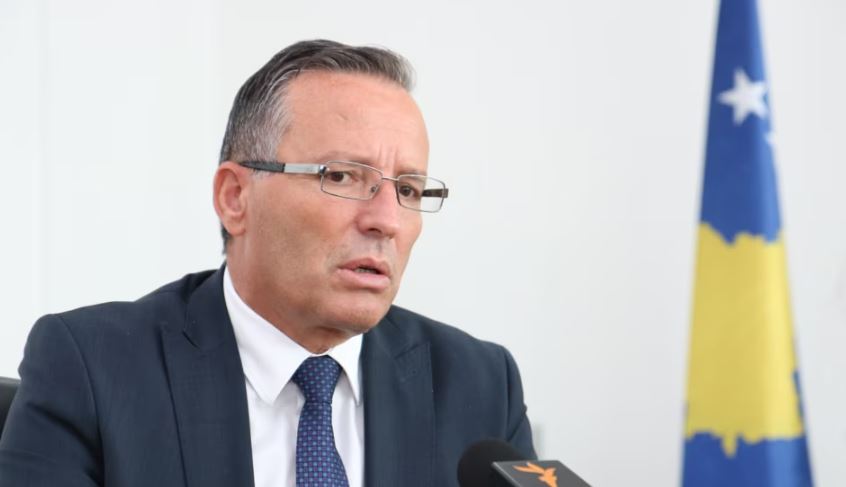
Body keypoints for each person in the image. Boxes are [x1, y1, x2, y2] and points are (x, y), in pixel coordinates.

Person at [0, 40, 535, 487]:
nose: (387, 221)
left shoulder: (482, 385)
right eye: (342, 176)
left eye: (410, 189)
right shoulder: (92, 369)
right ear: (235, 198)